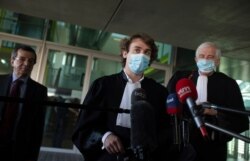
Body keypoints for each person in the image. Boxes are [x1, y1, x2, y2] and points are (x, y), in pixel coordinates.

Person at [72, 33, 172, 161]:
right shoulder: (103, 85)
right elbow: (84, 126)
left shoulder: (159, 92)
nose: (142, 55)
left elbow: (166, 131)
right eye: (137, 50)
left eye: (147, 52)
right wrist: (105, 137)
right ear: (125, 53)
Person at [166, 42, 249, 161]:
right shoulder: (180, 78)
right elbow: (168, 107)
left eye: (210, 57)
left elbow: (241, 121)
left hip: (213, 149)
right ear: (195, 59)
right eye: (202, 56)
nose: (205, 60)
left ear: (218, 61)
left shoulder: (228, 84)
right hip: (182, 145)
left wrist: (215, 113)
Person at [0, 45, 48, 161]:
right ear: (12, 61)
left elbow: (38, 126)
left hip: (21, 149)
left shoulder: (40, 91)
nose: (26, 64)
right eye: (22, 59)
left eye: (31, 61)